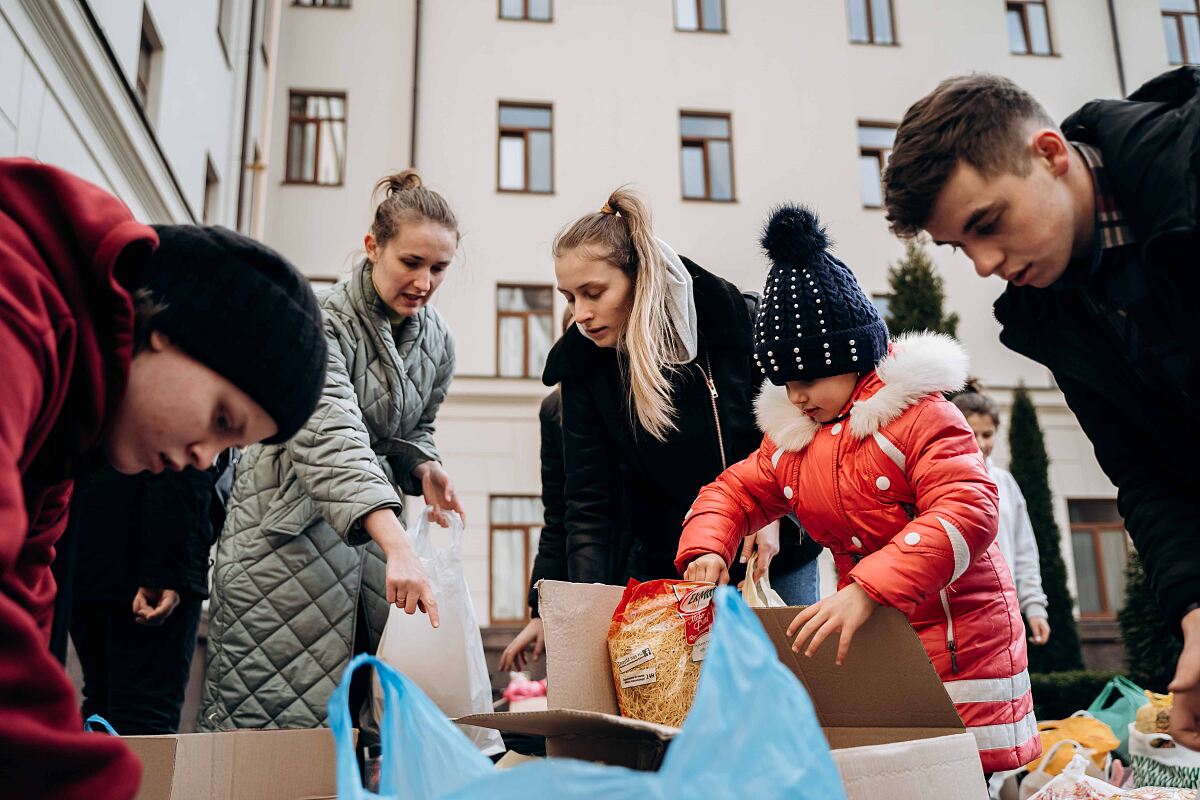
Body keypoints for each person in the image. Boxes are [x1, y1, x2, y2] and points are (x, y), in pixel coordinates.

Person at [882, 67, 1200, 751]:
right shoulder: (1055, 311)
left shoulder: (1189, 165)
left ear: (1051, 154)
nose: (986, 263)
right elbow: (1147, 475)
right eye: (960, 247)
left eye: (988, 224)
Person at [0, 158, 327, 799]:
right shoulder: (20, 310)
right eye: (222, 419)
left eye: (234, 446)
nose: (206, 459)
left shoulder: (69, 434)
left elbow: (27, 615)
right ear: (165, 330)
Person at [677, 205, 1038, 774]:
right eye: (786, 383)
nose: (796, 397)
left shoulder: (923, 416)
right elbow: (733, 493)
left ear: (850, 358)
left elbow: (968, 510)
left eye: (809, 378)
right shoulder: (796, 442)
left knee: (965, 777)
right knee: (893, 777)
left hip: (961, 642)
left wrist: (867, 589)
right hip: (878, 642)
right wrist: (706, 548)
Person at [199, 170, 463, 732]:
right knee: (268, 727)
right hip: (284, 549)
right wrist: (397, 542)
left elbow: (416, 427)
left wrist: (424, 465)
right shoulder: (317, 320)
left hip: (371, 558)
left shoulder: (437, 340)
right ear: (373, 248)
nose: (425, 281)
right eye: (411, 262)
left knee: (354, 729)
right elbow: (329, 435)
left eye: (439, 268)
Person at [541, 187, 822, 604]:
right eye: (570, 298)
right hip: (673, 567)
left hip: (772, 555)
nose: (580, 314)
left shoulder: (733, 320)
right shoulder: (582, 367)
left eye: (594, 293)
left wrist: (775, 511)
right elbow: (588, 505)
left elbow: (797, 423)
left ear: (639, 278)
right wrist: (589, 601)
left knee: (792, 670)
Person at [69, 453, 231, 734]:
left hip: (87, 541)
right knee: (145, 718)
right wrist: (167, 568)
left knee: (102, 704)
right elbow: (183, 444)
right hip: (150, 551)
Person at [951, 388, 1051, 646]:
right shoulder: (939, 480)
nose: (982, 443)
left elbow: (1024, 549)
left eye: (988, 434)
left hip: (1003, 609)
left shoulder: (1005, 483)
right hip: (955, 613)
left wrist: (1034, 606)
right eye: (973, 434)